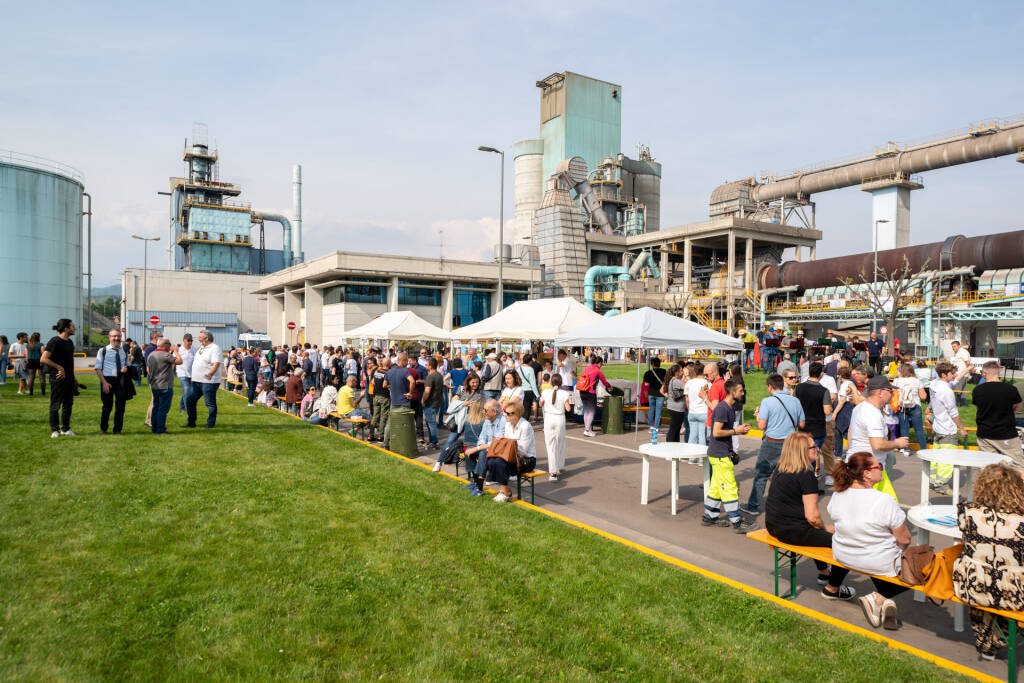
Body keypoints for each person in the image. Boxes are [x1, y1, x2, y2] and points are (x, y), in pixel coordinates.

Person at [764, 432, 855, 601]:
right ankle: (832, 589)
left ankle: (823, 573)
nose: (817, 449)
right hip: (792, 531)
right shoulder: (806, 475)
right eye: (813, 447)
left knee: (816, 534)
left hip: (773, 525)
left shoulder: (781, 468)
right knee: (847, 542)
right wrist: (826, 529)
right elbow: (812, 517)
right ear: (802, 451)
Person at [828, 452, 911, 630]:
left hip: (843, 555)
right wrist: (901, 549)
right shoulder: (884, 500)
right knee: (922, 570)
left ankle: (883, 602)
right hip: (876, 561)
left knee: (881, 557)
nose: (882, 469)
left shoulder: (838, 495)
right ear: (866, 473)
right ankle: (878, 598)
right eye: (878, 466)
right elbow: (904, 538)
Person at [953, 463, 1024, 660]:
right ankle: (1000, 637)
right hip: (1016, 594)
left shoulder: (967, 512)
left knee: (985, 574)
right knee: (1004, 578)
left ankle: (985, 641)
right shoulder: (1020, 521)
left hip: (972, 587)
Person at [743, 374, 806, 515]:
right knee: (786, 477)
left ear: (769, 387)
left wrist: (758, 416)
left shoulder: (767, 402)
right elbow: (802, 424)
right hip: (789, 444)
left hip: (771, 443)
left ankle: (753, 506)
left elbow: (761, 425)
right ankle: (785, 507)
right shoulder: (795, 401)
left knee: (762, 475)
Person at [701, 378, 755, 533]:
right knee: (730, 487)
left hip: (721, 453)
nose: (743, 393)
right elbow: (716, 432)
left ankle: (710, 515)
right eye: (741, 391)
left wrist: (732, 448)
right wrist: (736, 431)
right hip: (719, 455)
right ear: (732, 392)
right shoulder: (722, 409)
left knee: (716, 487)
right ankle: (737, 521)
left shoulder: (730, 408)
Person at [924, 362, 968, 491]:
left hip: (938, 427)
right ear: (944, 375)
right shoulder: (946, 391)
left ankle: (933, 481)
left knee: (937, 458)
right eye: (952, 373)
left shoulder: (935, 384)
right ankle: (941, 485)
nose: (954, 375)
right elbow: (953, 413)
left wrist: (967, 370)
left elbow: (954, 381)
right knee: (948, 460)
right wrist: (962, 428)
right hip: (948, 429)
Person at [972, 360, 1024, 467]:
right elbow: (1018, 407)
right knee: (1017, 467)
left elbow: (978, 408)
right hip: (1007, 434)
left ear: (984, 373)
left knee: (990, 469)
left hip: (985, 434)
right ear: (998, 372)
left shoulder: (977, 390)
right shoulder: (1011, 389)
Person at [488, 400, 536, 503]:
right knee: (492, 460)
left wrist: (507, 442)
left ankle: (506, 493)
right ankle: (505, 490)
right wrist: (503, 440)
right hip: (512, 456)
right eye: (504, 411)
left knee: (500, 463)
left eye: (508, 413)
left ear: (517, 414)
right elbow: (509, 447)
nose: (505, 415)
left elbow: (523, 451)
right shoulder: (508, 424)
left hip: (527, 460)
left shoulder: (525, 426)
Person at [40, 319, 79, 438]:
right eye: (72, 326)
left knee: (68, 404)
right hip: (56, 378)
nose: (75, 328)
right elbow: (43, 359)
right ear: (66, 328)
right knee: (56, 404)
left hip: (69, 379)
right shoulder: (55, 341)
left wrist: (74, 377)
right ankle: (54, 430)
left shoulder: (70, 342)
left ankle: (66, 429)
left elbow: (69, 362)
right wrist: (59, 367)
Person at [94, 328, 131, 434]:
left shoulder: (124, 350)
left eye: (118, 336)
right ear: (109, 337)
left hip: (120, 380)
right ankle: (103, 429)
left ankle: (117, 430)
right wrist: (104, 383)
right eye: (114, 336)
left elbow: (127, 364)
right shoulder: (103, 351)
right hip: (107, 380)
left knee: (120, 407)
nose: (117, 338)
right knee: (107, 406)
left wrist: (126, 368)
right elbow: (98, 368)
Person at [185, 329, 222, 429]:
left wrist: (210, 373)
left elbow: (216, 363)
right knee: (190, 400)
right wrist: (193, 377)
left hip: (209, 381)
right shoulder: (202, 347)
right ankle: (191, 422)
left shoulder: (215, 348)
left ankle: (210, 424)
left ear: (206, 338)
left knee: (209, 403)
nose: (199, 338)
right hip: (197, 381)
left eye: (200, 337)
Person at [146, 337, 182, 434]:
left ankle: (154, 428)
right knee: (163, 409)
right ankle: (160, 429)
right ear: (165, 345)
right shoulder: (165, 355)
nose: (170, 345)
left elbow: (148, 369)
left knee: (156, 408)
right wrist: (176, 351)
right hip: (165, 386)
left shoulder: (151, 354)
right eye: (169, 343)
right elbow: (179, 361)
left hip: (155, 385)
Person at [541, 374, 572, 481]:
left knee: (550, 445)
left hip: (549, 418)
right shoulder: (564, 393)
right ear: (561, 382)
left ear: (551, 382)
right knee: (560, 443)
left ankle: (553, 472)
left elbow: (541, 404)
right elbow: (568, 409)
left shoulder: (545, 392)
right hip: (559, 419)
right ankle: (558, 466)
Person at [794, 362, 832, 450]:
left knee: (803, 455)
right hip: (818, 429)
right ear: (821, 374)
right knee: (812, 456)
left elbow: (794, 406)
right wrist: (831, 406)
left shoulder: (798, 387)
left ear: (808, 373)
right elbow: (827, 411)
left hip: (802, 427)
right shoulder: (824, 391)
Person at [892, 363, 928, 453]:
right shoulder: (917, 381)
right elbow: (923, 396)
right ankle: (924, 449)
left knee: (904, 428)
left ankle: (906, 449)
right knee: (919, 429)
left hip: (902, 407)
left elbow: (893, 395)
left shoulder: (896, 381)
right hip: (915, 406)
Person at [577, 356, 612, 438]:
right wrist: (610, 387)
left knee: (586, 411)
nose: (601, 365)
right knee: (591, 411)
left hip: (582, 391)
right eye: (602, 364)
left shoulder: (586, 368)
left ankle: (587, 429)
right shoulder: (598, 371)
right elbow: (604, 381)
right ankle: (587, 430)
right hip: (590, 392)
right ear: (599, 363)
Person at [684, 362, 709, 446]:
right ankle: (701, 458)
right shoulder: (707, 383)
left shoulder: (689, 383)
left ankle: (691, 457)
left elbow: (687, 399)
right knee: (702, 436)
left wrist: (689, 408)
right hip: (703, 411)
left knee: (692, 435)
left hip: (692, 411)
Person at [421, 358, 444, 449]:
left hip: (430, 403)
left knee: (431, 423)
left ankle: (434, 442)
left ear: (430, 366)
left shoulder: (430, 376)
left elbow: (427, 391)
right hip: (437, 402)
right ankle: (432, 441)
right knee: (430, 422)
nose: (425, 366)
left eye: (426, 365)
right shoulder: (439, 375)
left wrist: (422, 400)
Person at [369, 357, 391, 442]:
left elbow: (372, 382)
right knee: (383, 417)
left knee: (375, 416)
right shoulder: (388, 373)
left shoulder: (377, 371)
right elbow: (385, 385)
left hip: (376, 396)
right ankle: (380, 436)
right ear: (389, 364)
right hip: (384, 397)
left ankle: (371, 435)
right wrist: (389, 386)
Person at [664, 364, 687, 443]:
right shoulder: (676, 381)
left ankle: (674, 444)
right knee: (674, 429)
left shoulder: (673, 380)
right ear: (677, 373)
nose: (682, 372)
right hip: (677, 409)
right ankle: (670, 444)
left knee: (675, 429)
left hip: (673, 407)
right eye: (681, 371)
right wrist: (687, 376)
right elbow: (687, 387)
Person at [643, 357, 667, 433]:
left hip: (651, 393)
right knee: (658, 411)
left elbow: (646, 384)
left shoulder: (648, 373)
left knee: (651, 410)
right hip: (660, 394)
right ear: (659, 364)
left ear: (652, 364)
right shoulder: (664, 371)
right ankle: (656, 428)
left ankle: (650, 427)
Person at [175, 333, 195, 413]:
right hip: (182, 373)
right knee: (187, 390)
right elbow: (174, 360)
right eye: (188, 340)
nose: (190, 342)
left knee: (187, 391)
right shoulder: (179, 350)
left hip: (191, 374)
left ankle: (181, 407)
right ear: (184, 340)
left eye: (191, 340)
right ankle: (189, 408)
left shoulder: (193, 349)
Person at [949, 340, 973, 407]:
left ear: (959, 346)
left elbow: (967, 362)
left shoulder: (963, 352)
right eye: (952, 346)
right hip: (960, 374)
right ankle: (962, 404)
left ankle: (957, 404)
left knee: (957, 389)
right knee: (962, 389)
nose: (953, 348)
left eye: (954, 346)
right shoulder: (958, 352)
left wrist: (968, 371)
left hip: (961, 374)